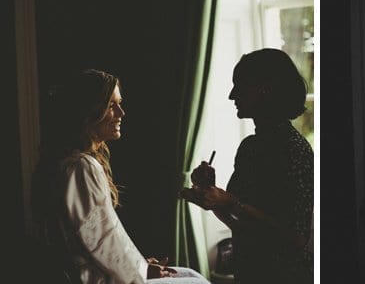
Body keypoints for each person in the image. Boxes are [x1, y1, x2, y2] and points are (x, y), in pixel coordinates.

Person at [31, 69, 209, 284]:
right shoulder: (80, 167)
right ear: (89, 112)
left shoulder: (65, 163)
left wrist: (141, 264)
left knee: (188, 274)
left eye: (120, 103)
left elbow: (105, 238)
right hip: (95, 278)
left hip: (100, 272)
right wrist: (140, 272)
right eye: (111, 105)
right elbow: (101, 240)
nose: (121, 113)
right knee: (194, 280)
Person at [181, 48, 313, 283]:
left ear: (265, 89)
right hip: (250, 272)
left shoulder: (294, 150)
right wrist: (212, 198)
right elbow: (242, 226)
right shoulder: (250, 147)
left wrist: (230, 201)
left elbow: (298, 238)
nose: (232, 95)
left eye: (239, 86)